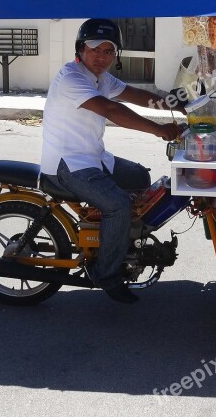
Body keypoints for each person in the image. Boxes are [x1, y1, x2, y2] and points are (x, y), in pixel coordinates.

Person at [40, 18, 183, 304]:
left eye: (109, 51)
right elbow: (110, 109)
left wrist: (178, 102)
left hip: (94, 158)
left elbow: (137, 96)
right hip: (68, 165)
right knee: (118, 205)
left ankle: (119, 240)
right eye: (95, 49)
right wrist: (159, 130)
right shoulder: (71, 78)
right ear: (81, 49)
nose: (102, 56)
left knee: (140, 178)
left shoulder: (101, 77)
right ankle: (106, 273)